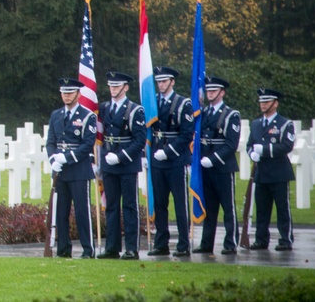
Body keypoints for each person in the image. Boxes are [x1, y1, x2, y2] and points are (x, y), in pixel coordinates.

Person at [96, 71, 146, 260]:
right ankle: (112, 247)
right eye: (111, 86)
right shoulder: (104, 108)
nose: (113, 89)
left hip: (126, 164)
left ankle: (132, 248)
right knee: (112, 207)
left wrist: (121, 156)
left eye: (117, 86)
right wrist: (100, 160)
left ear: (126, 87)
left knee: (130, 206)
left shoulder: (135, 110)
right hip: (109, 163)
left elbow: (140, 139)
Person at [45, 77, 97, 259]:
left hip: (79, 171)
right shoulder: (56, 115)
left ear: (78, 94)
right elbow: (50, 141)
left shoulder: (88, 116)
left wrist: (66, 158)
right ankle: (63, 248)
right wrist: (53, 159)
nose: (66, 96)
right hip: (60, 171)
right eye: (64, 92)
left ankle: (88, 249)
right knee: (61, 213)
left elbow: (87, 144)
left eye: (70, 92)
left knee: (82, 212)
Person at [147, 66, 195, 257]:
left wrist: (168, 152)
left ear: (172, 82)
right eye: (158, 81)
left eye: (164, 81)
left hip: (176, 159)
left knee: (180, 203)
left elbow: (186, 135)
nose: (161, 85)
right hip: (157, 158)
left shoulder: (184, 104)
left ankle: (183, 244)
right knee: (160, 203)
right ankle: (161, 243)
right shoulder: (152, 103)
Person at [245, 87, 296, 251]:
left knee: (282, 208)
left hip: (279, 172)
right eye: (261, 102)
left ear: (276, 103)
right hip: (261, 173)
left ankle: (285, 239)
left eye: (266, 101)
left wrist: (265, 150)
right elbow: (249, 145)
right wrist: (252, 153)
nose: (263, 104)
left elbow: (287, 146)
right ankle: (261, 239)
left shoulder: (284, 124)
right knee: (262, 209)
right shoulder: (256, 124)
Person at [195, 75, 241, 255]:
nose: (210, 93)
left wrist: (212, 159)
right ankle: (206, 243)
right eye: (208, 91)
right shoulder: (203, 113)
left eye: (214, 90)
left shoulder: (231, 115)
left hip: (222, 168)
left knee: (228, 208)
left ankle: (231, 243)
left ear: (222, 92)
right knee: (210, 209)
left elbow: (231, 144)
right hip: (205, 169)